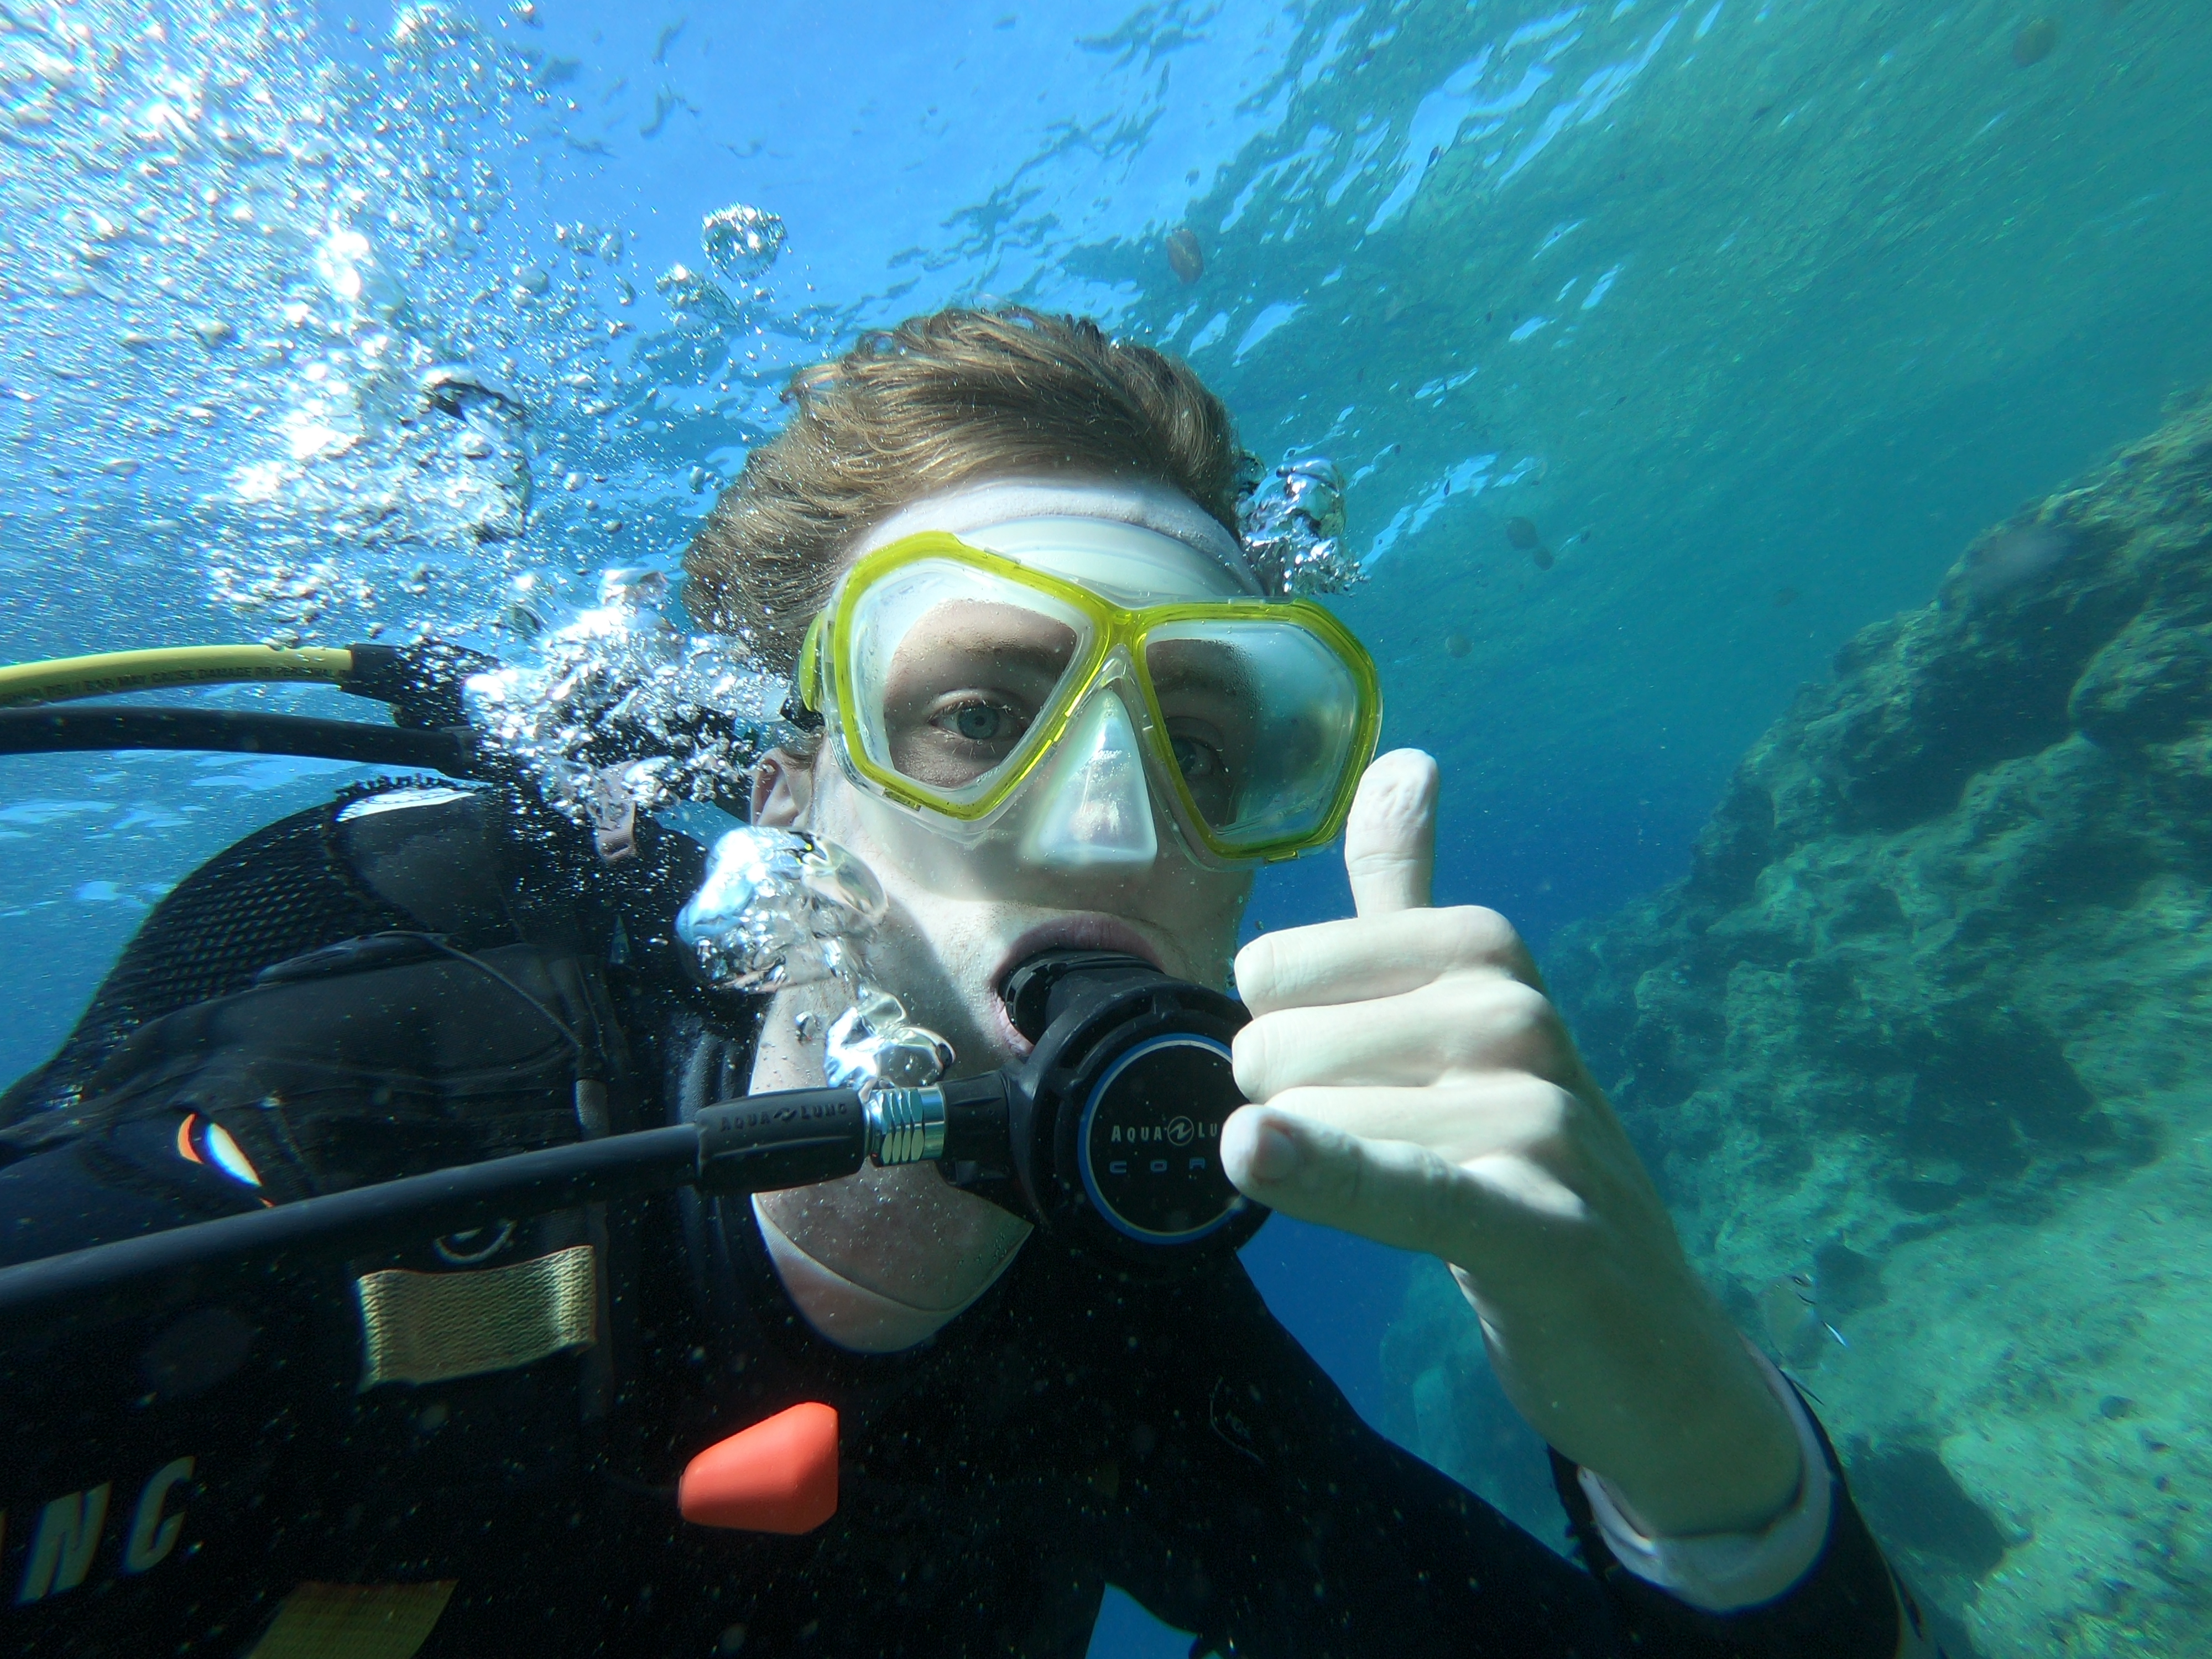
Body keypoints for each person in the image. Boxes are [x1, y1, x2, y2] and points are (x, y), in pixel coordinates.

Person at [0, 309, 1935, 1657]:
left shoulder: (1117, 1363)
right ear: (787, 785)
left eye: (1202, 734)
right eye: (979, 710)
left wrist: (1677, 1417)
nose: (1112, 830)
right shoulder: (338, 1157)